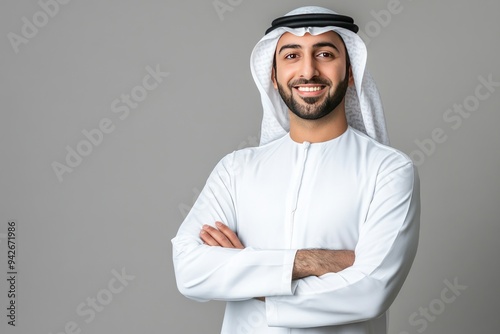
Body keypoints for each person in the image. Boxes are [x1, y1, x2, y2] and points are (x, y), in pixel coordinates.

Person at [172, 5, 420, 334]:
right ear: (273, 76)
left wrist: (249, 277)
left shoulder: (389, 170)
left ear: (349, 73)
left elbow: (369, 292)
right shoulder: (235, 170)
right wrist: (313, 261)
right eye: (291, 55)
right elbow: (189, 270)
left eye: (325, 54)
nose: (308, 71)